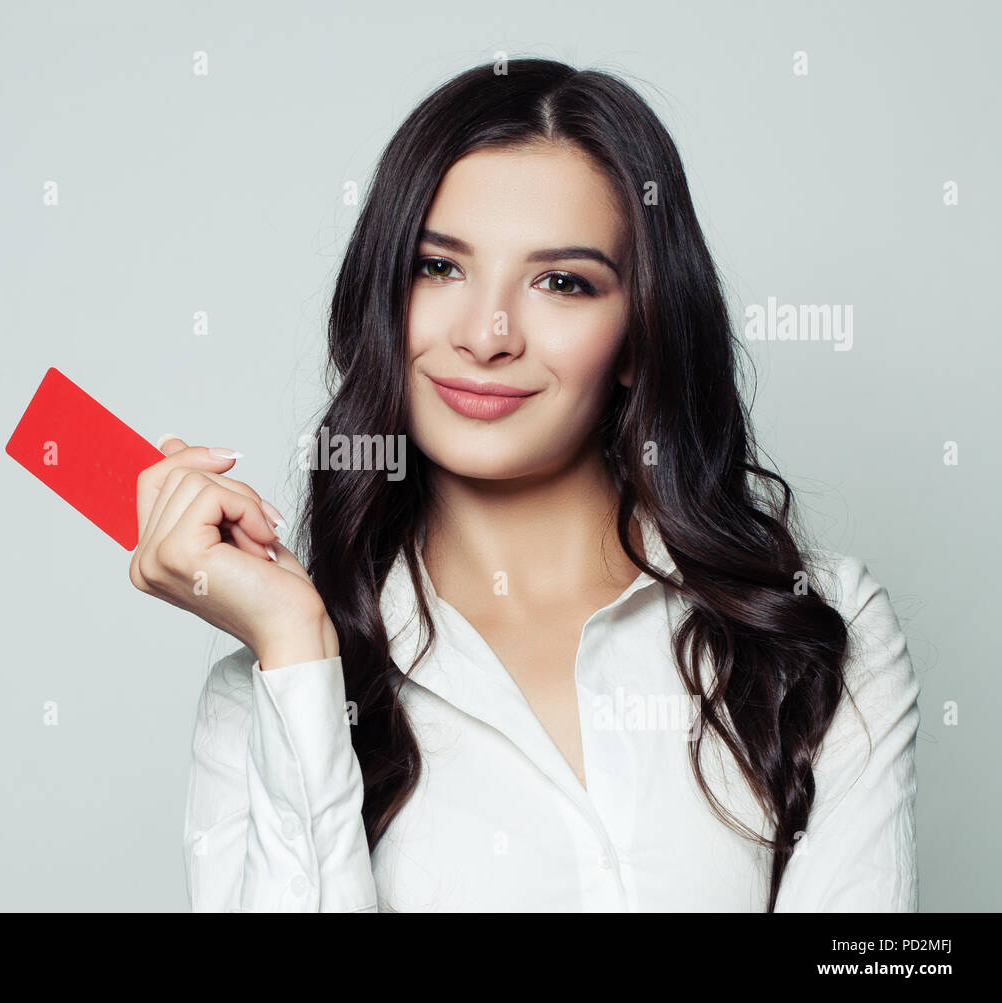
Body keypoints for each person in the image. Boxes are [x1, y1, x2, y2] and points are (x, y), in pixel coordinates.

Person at [128, 58, 920, 912]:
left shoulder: (819, 631)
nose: (487, 333)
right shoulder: (266, 697)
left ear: (641, 333)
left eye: (561, 282)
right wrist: (295, 645)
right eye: (439, 268)